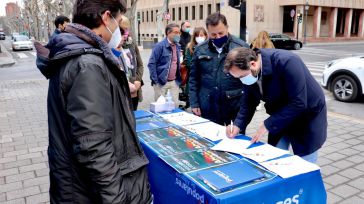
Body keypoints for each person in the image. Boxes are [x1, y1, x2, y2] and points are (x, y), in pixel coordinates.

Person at [35, 0, 152, 203]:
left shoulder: (80, 55)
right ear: (106, 17)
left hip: (78, 186)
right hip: (89, 192)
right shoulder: (88, 64)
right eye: (116, 22)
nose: (117, 30)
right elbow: (94, 146)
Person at [224, 47, 327, 163]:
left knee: (306, 164)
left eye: (242, 77)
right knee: (275, 158)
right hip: (280, 114)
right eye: (238, 78)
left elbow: (299, 102)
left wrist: (267, 124)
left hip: (307, 115)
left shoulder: (287, 61)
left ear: (252, 64)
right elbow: (249, 102)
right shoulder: (249, 72)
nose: (242, 81)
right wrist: (238, 124)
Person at [189, 12, 249, 125]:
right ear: (208, 32)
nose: (218, 37)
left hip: (234, 106)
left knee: (235, 140)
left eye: (221, 33)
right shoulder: (200, 50)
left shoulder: (241, 47)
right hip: (208, 105)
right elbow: (193, 79)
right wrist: (194, 103)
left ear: (227, 28)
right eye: (213, 35)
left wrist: (245, 108)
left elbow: (248, 80)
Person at [148, 23, 182, 107]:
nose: (178, 34)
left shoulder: (178, 46)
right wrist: (156, 81)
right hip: (161, 82)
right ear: (168, 33)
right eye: (175, 32)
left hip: (174, 82)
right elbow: (151, 64)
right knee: (161, 107)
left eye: (179, 32)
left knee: (174, 106)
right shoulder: (159, 46)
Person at [119, 15, 144, 110]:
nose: (126, 32)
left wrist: (137, 80)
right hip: (123, 89)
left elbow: (140, 65)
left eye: (127, 29)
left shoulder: (132, 44)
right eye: (123, 29)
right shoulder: (113, 46)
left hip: (135, 88)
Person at [180, 27, 208, 109]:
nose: (199, 37)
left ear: (206, 36)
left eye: (201, 35)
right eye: (197, 35)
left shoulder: (209, 47)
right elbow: (188, 61)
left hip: (206, 80)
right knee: (195, 104)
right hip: (194, 78)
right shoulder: (190, 47)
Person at [250, 30, 275, 111]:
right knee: (267, 84)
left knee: (257, 83)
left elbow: (251, 53)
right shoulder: (270, 44)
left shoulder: (255, 43)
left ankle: (258, 102)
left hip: (257, 66)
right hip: (268, 66)